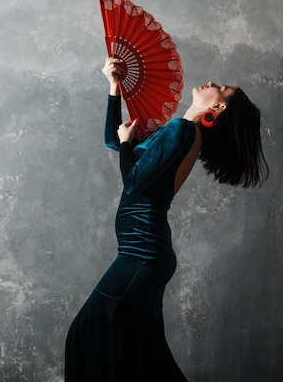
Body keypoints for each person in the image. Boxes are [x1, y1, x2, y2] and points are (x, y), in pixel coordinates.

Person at [64, 57, 269, 382]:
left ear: (220, 108)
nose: (213, 82)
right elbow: (115, 143)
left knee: (91, 331)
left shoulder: (182, 130)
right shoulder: (179, 132)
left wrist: (126, 143)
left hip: (141, 255)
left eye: (222, 89)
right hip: (146, 254)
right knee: (141, 355)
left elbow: (132, 181)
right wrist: (114, 89)